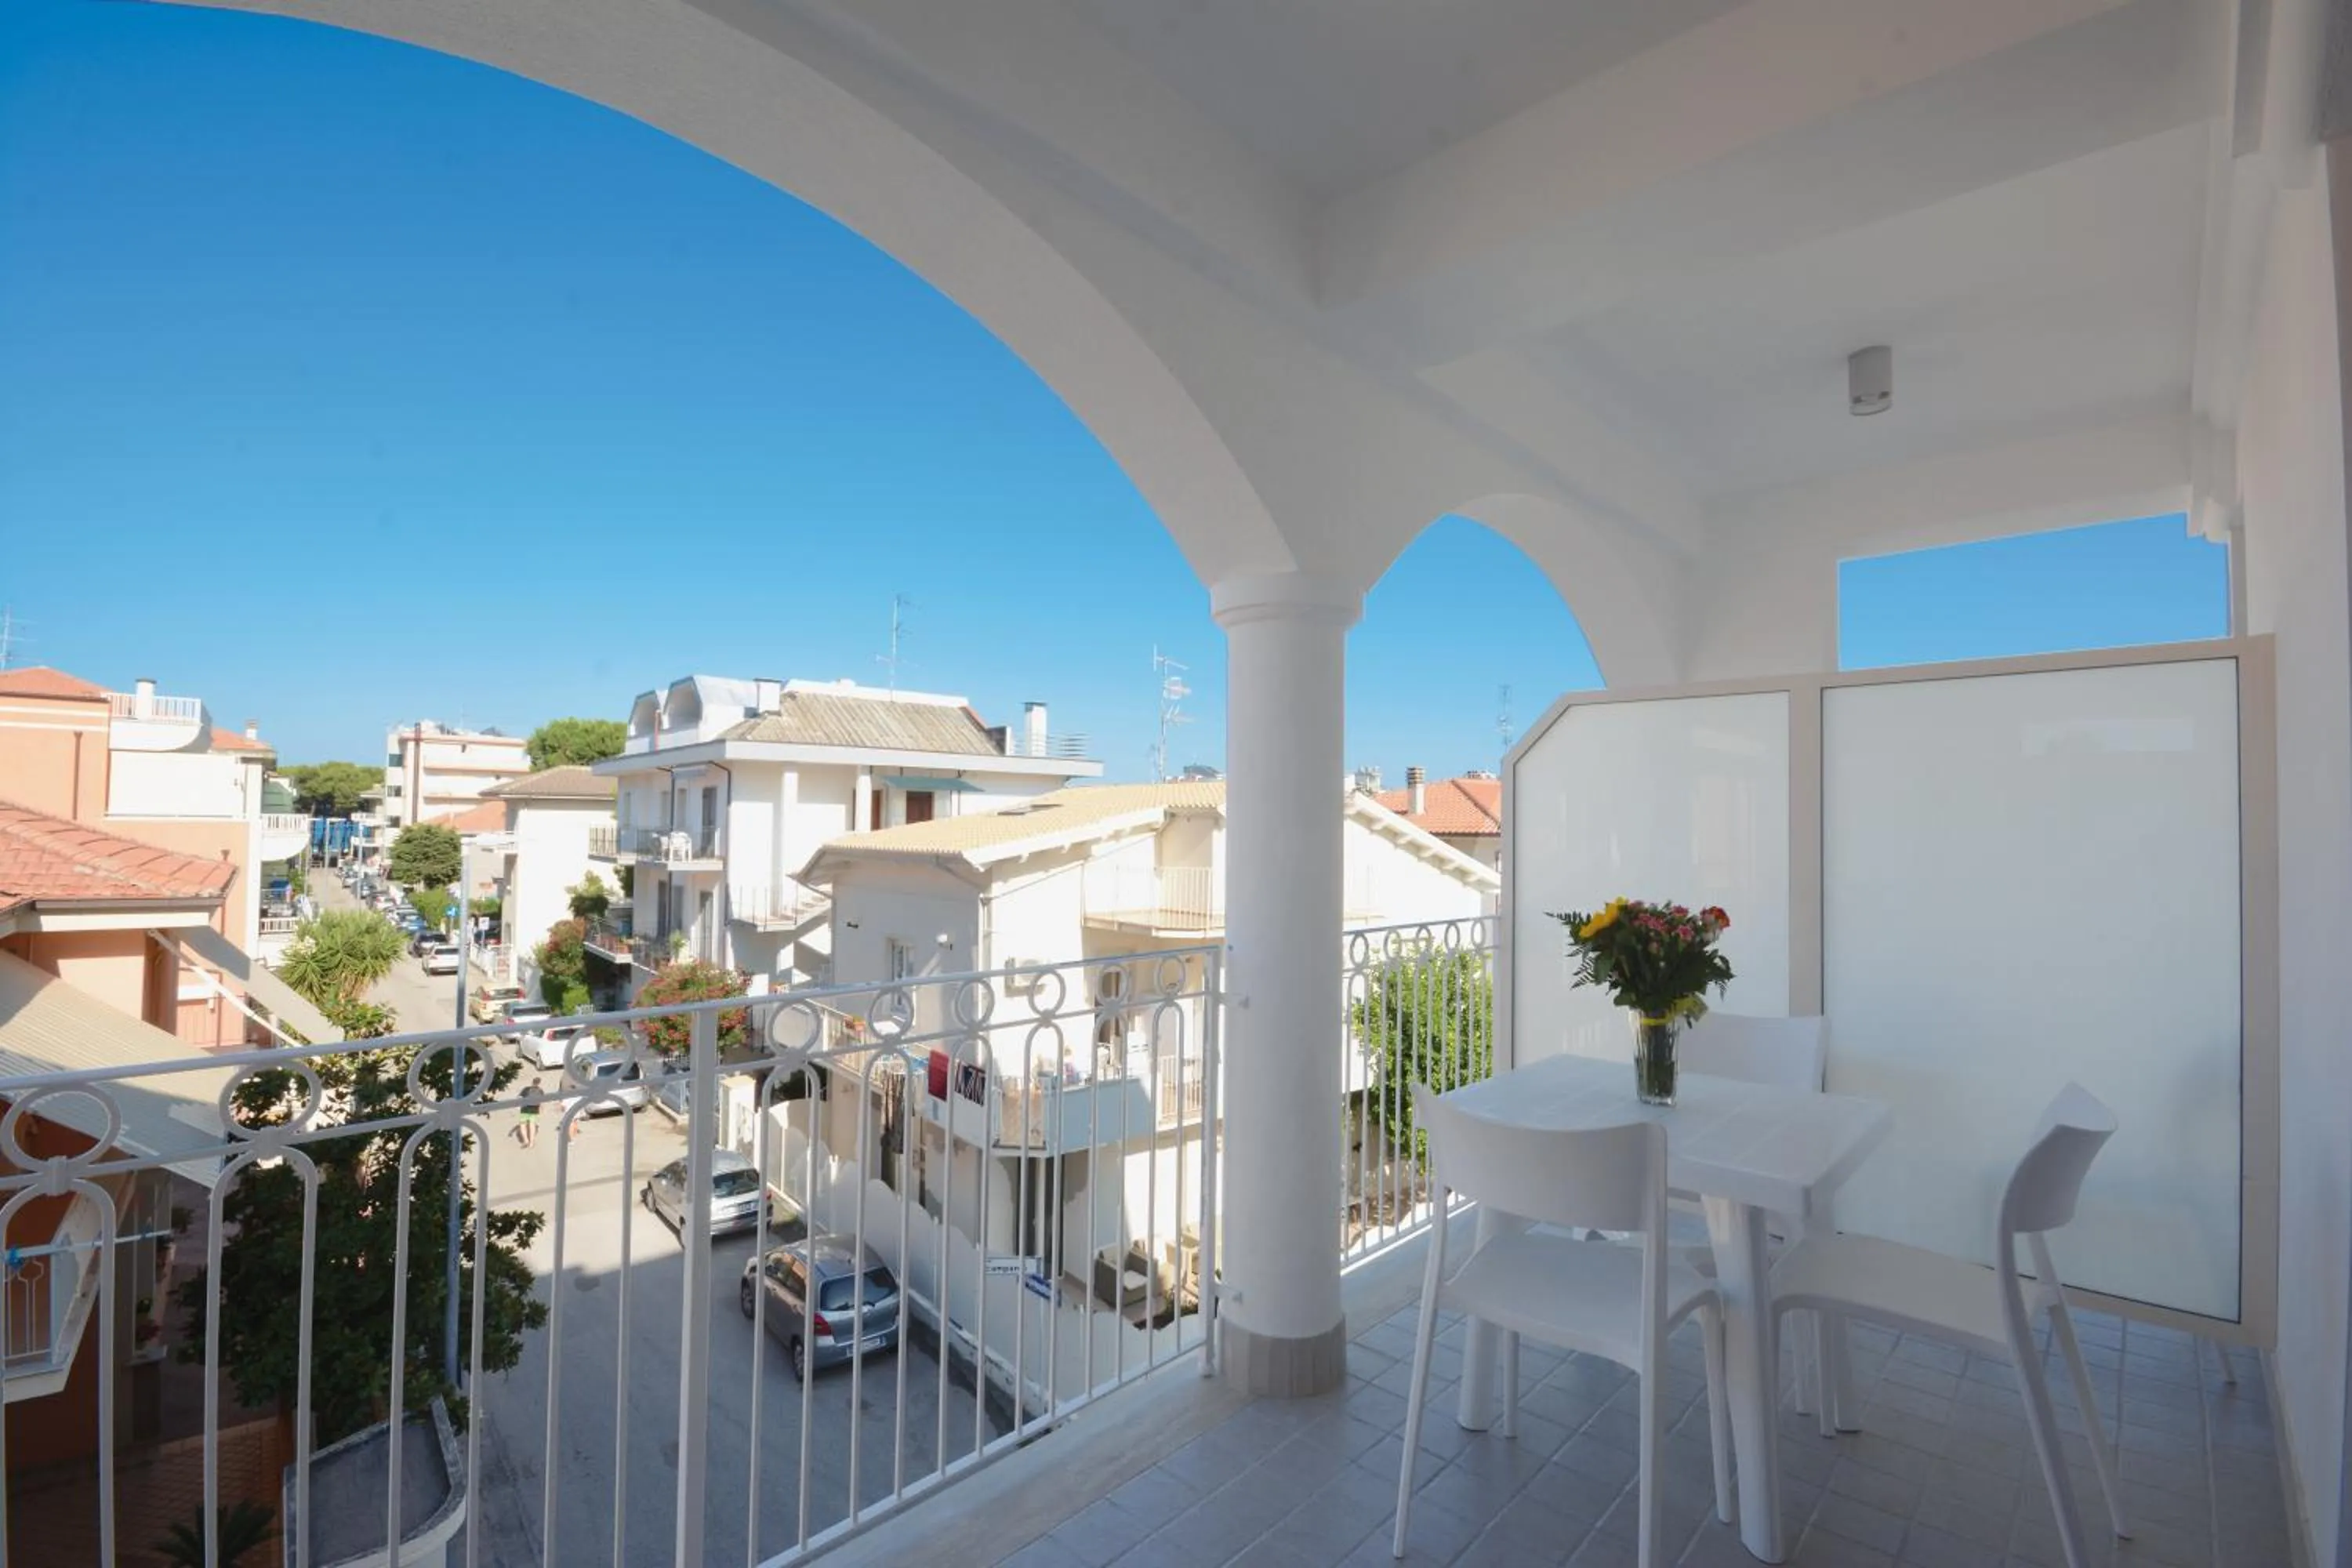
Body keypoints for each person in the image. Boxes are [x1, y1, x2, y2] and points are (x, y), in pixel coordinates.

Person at [517, 1080, 542, 1147]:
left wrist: (519, 1106)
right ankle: (531, 1142)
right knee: (532, 1125)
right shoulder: (540, 1090)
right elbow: (541, 1101)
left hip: (525, 1109)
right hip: (534, 1109)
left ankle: (526, 1140)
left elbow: (519, 1097)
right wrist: (540, 1109)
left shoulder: (526, 1089)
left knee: (522, 1124)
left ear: (532, 1083)